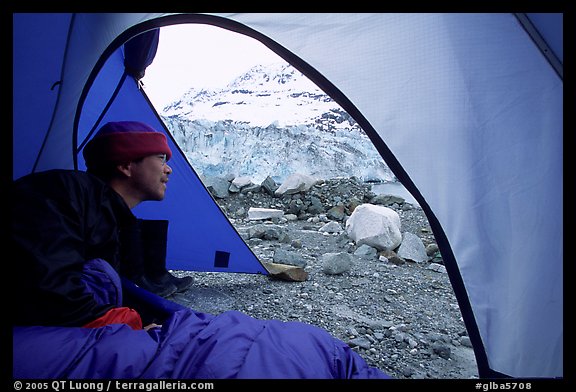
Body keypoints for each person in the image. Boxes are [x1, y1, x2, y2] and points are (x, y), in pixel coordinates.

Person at [12, 120, 390, 379]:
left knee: (309, 351)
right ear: (126, 163)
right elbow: (48, 286)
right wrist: (128, 322)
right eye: (160, 158)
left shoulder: (115, 219)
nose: (169, 169)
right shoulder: (63, 191)